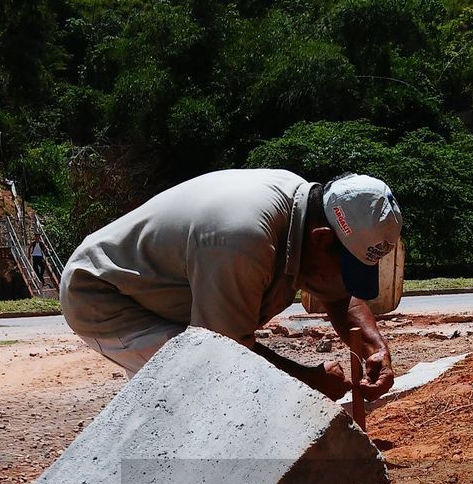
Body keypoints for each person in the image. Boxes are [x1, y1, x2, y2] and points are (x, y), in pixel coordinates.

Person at [60, 169, 402, 401]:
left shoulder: (311, 209)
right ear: (322, 239)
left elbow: (340, 298)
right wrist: (309, 381)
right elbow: (223, 354)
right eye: (346, 270)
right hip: (104, 296)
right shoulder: (242, 240)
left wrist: (375, 347)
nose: (344, 284)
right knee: (206, 390)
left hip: (169, 299)